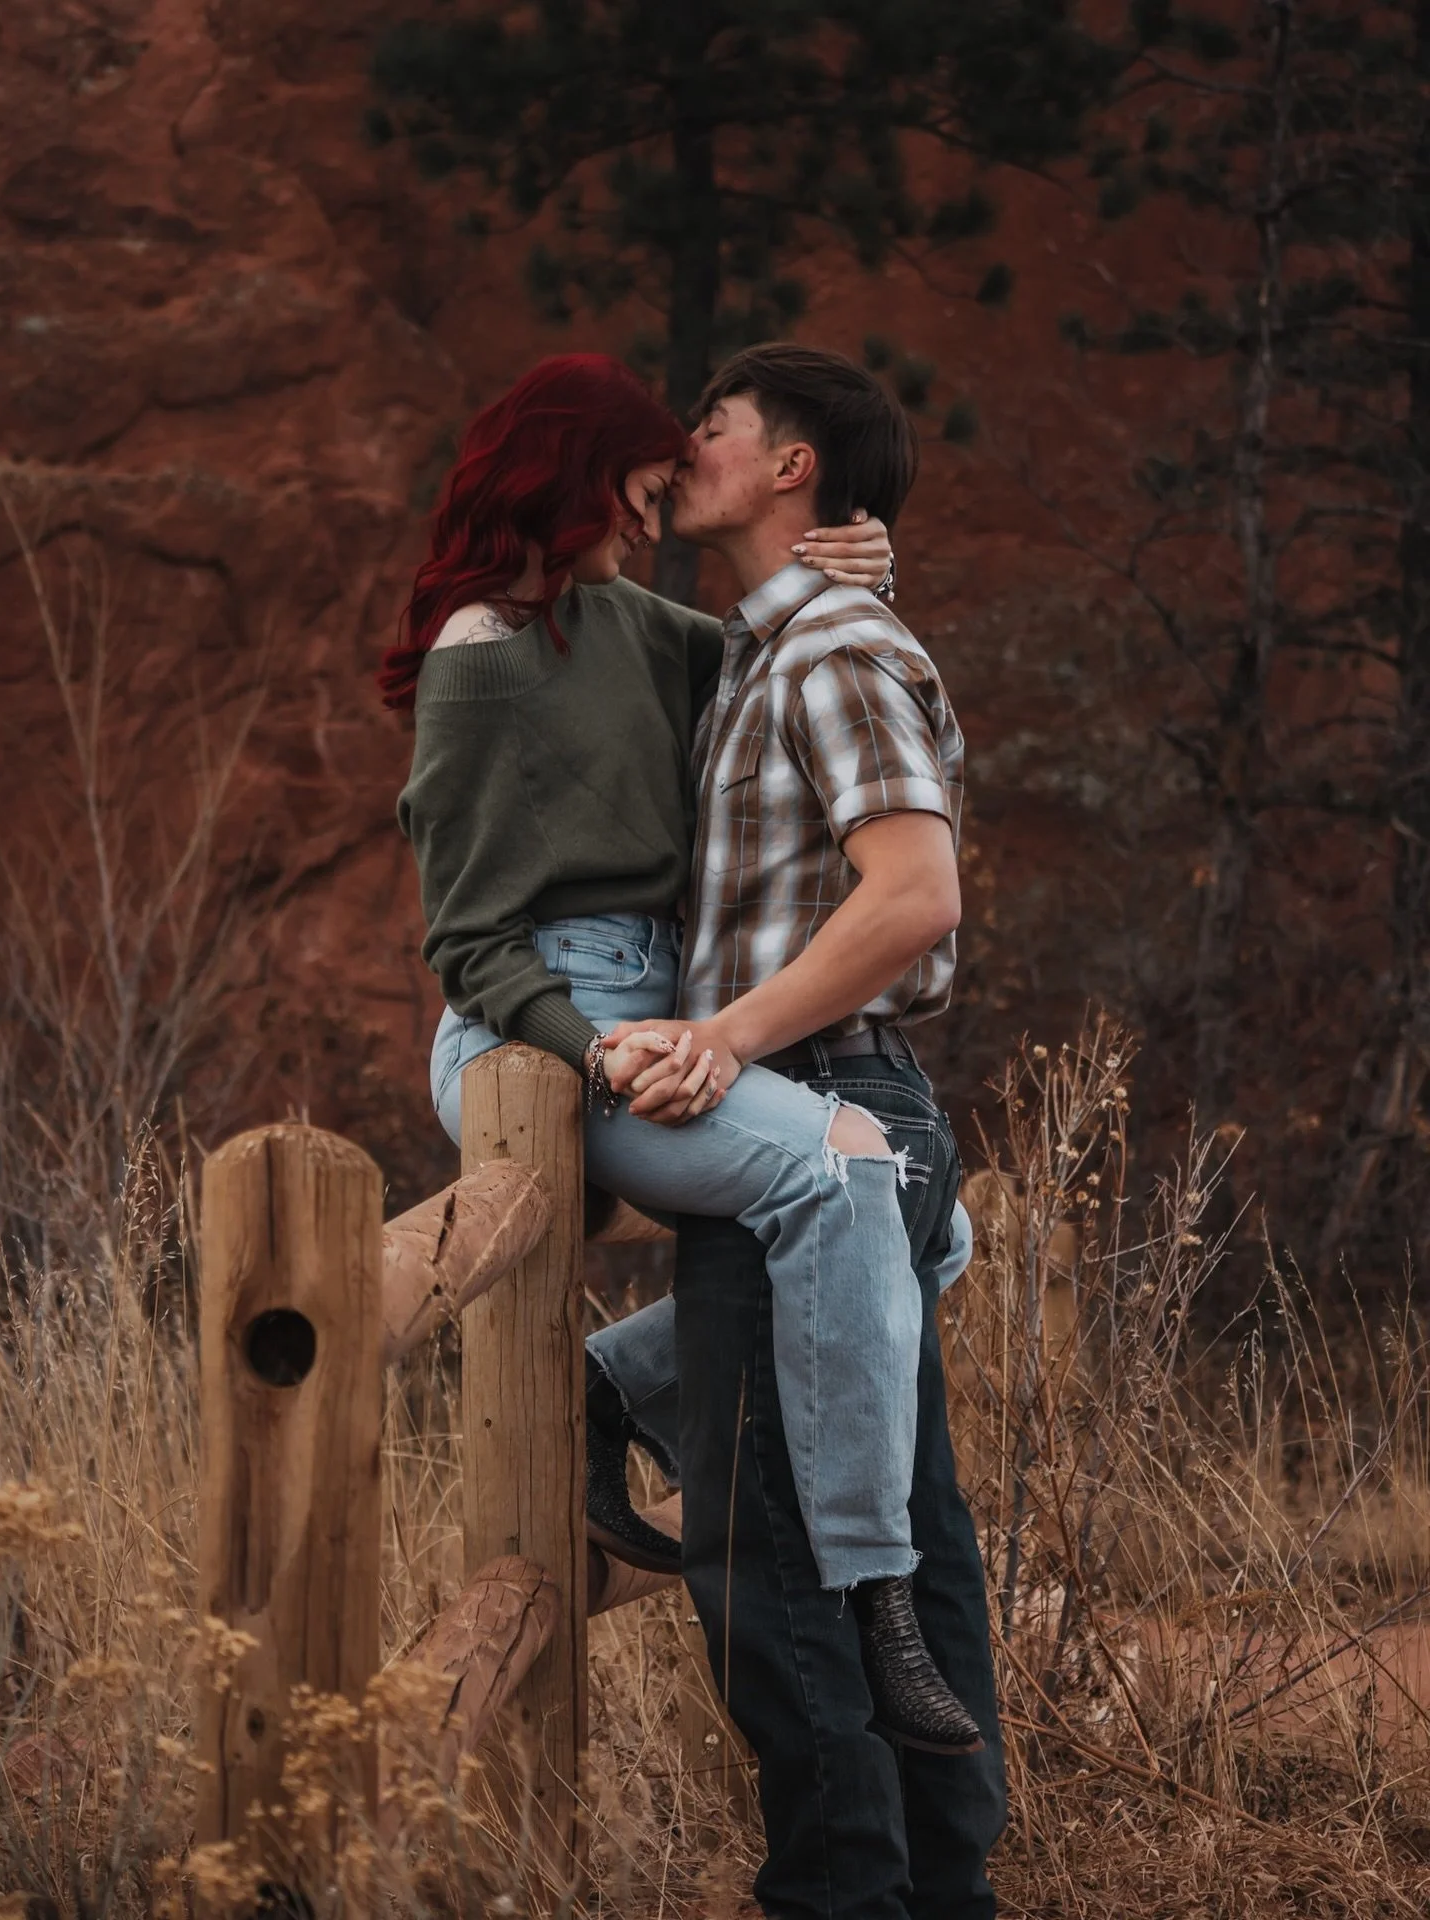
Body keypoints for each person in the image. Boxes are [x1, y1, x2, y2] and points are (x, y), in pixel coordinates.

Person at [389, 353, 981, 1754]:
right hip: (537, 1028)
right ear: (569, 476)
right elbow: (468, 942)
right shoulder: (481, 653)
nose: (653, 519)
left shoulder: (635, 626)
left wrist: (864, 570)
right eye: (640, 491)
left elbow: (801, 669)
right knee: (847, 1186)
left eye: (672, 487)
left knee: (929, 1229)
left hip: (657, 1006)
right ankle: (873, 1587)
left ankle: (615, 1384)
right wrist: (596, 1057)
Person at [589, 344, 1005, 1918]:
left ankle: (847, 1897)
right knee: (899, 1534)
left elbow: (916, 897)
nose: (682, 441)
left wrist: (721, 1042)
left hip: (819, 1109)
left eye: (714, 425)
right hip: (844, 1105)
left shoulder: (828, 647)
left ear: (791, 468)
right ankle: (940, 1893)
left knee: (774, 1559)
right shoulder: (773, 644)